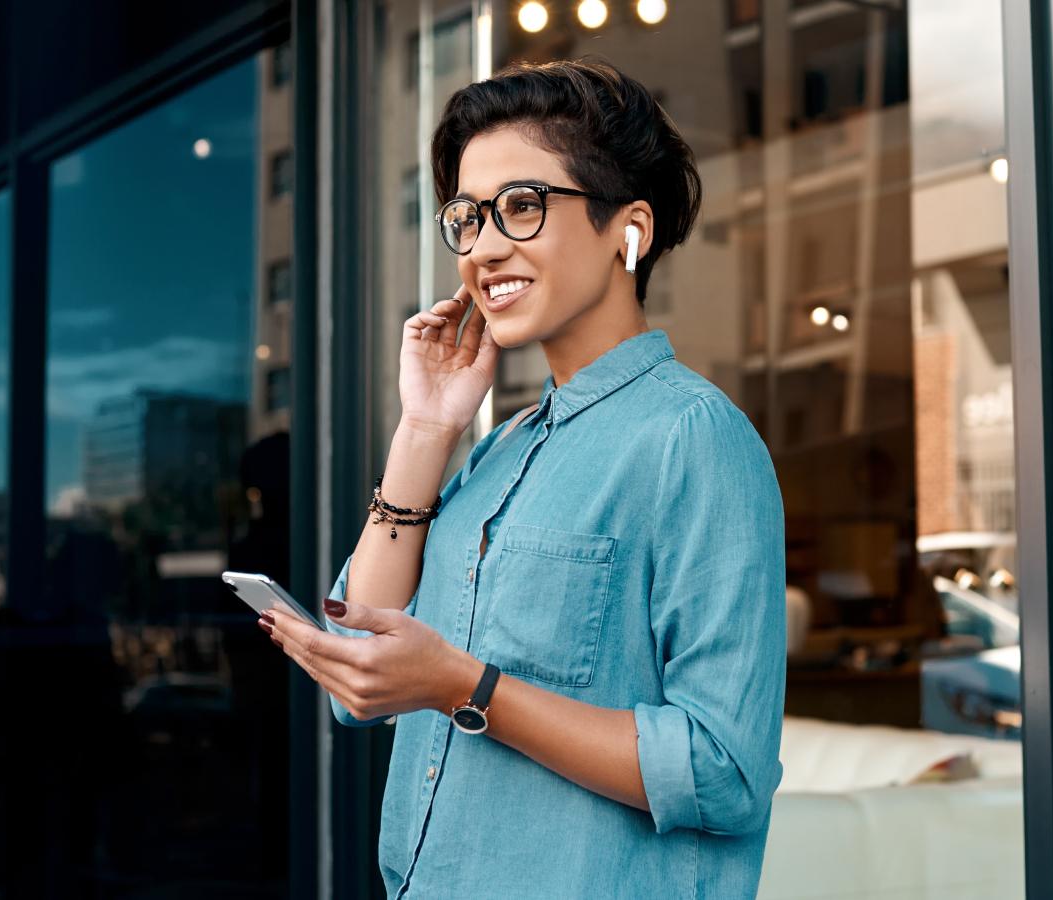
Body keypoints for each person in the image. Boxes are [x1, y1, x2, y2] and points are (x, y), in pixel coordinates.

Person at [259, 58, 786, 898]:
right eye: (467, 218)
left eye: (522, 207)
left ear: (630, 229)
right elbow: (361, 675)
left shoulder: (693, 438)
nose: (484, 247)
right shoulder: (500, 448)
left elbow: (722, 771)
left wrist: (467, 688)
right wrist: (427, 429)